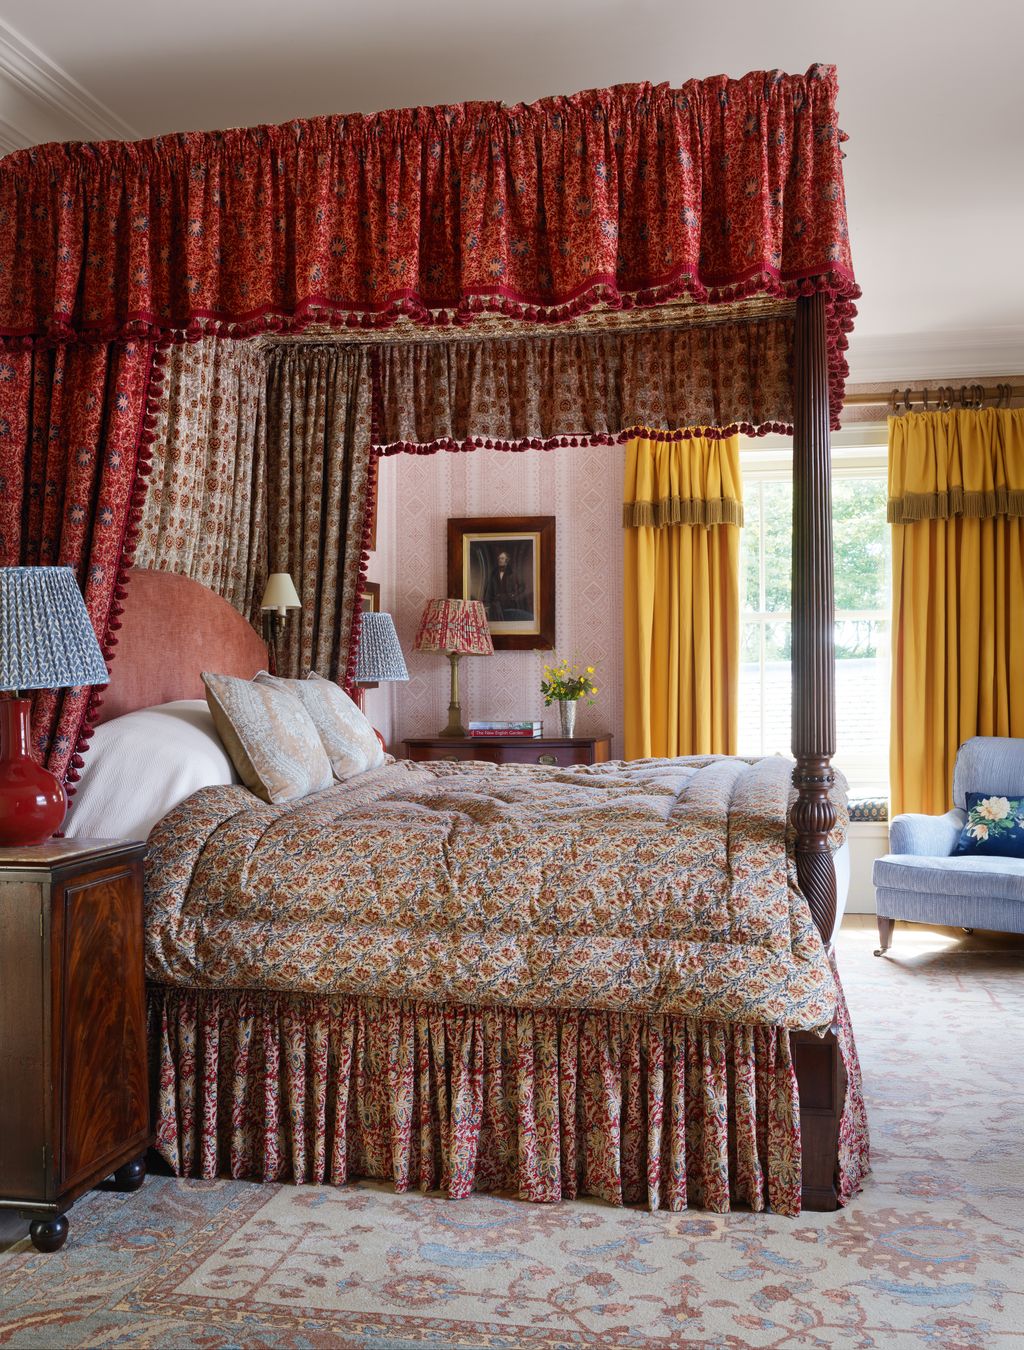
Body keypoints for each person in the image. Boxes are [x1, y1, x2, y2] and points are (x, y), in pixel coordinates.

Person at [481, 548, 531, 621]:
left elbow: (522, 586)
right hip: (497, 604)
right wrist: (486, 603)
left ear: (506, 561)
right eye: (499, 558)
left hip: (510, 603)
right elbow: (489, 590)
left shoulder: (512, 574)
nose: (500, 560)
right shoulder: (494, 574)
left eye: (502, 558)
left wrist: (513, 595)